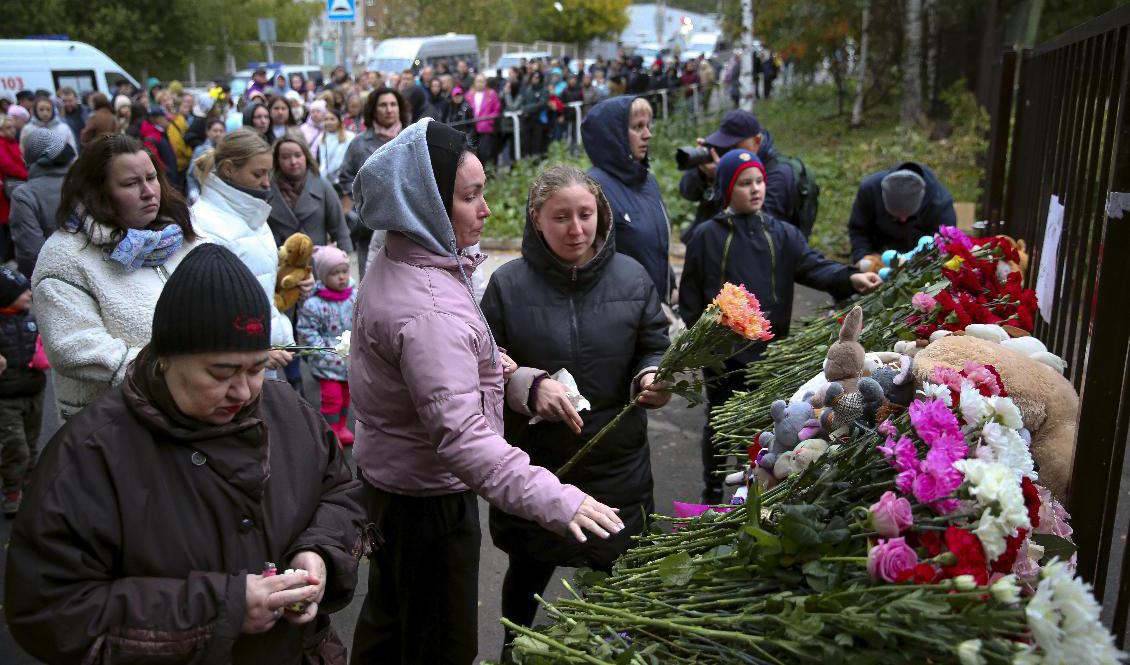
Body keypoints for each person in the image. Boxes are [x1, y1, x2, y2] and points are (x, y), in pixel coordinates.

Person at [6, 243, 365, 663]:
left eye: (255, 368)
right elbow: (48, 610)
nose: (244, 391)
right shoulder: (90, 455)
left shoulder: (288, 412)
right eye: (221, 372)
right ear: (166, 359)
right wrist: (219, 610)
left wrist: (319, 550)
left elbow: (340, 492)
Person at [348, 119, 625, 664]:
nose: (487, 210)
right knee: (439, 643)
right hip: (426, 502)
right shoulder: (427, 306)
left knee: (390, 625)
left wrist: (523, 383)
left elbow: (453, 371)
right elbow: (463, 437)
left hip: (394, 483)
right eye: (471, 196)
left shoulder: (408, 257)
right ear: (424, 203)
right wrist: (557, 498)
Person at [480, 165, 671, 655]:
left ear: (601, 216)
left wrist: (651, 376)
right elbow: (483, 367)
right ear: (536, 219)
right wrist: (527, 384)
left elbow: (654, 343)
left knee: (618, 584)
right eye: (560, 217)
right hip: (540, 466)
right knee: (526, 577)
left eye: (585, 215)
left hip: (617, 466)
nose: (576, 229)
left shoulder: (632, 276)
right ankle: (511, 651)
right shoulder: (506, 286)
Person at [679, 149, 882, 502]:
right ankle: (711, 489)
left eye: (759, 181)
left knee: (762, 423)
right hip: (723, 356)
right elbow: (691, 295)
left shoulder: (782, 234)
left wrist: (851, 278)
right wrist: (702, 345)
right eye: (745, 183)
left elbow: (814, 265)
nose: (755, 189)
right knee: (718, 421)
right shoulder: (707, 236)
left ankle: (750, 483)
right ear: (727, 189)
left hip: (769, 353)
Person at [32, 134, 201, 421]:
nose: (149, 192)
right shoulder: (65, 255)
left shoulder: (177, 236)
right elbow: (72, 345)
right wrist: (170, 371)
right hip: (112, 424)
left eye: (152, 178)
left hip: (188, 409)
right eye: (131, 183)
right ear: (98, 192)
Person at [190, 128, 299, 371]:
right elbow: (208, 311)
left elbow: (257, 280)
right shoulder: (206, 224)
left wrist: (288, 282)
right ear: (229, 169)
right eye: (258, 173)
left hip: (264, 354)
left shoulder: (251, 212)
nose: (265, 182)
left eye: (268, 173)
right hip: (240, 366)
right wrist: (250, 353)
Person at [582, 96, 671, 303]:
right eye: (638, 127)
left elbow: (654, 245)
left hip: (656, 310)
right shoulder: (593, 188)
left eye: (648, 125)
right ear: (614, 135)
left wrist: (670, 286)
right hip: (621, 315)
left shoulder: (648, 181)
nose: (647, 135)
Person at [679, 110, 798, 236]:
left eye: (734, 147)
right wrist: (703, 173)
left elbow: (754, 229)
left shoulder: (778, 174)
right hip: (710, 245)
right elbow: (687, 193)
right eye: (723, 145)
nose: (729, 153)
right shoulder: (725, 160)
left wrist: (724, 178)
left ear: (756, 142)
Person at [337, 87, 409, 275]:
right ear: (373, 109)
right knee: (370, 284)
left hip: (407, 229)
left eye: (393, 104)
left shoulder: (413, 138)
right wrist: (362, 205)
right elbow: (345, 177)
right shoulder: (359, 144)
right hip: (369, 229)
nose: (389, 109)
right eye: (383, 105)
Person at [297, 246, 356, 446]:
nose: (341, 277)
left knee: (346, 396)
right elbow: (307, 332)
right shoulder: (313, 304)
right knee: (332, 398)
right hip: (327, 362)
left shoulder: (354, 297)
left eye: (344, 271)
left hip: (349, 359)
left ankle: (341, 426)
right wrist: (324, 352)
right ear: (322, 275)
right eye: (334, 273)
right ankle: (330, 432)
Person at [848, 161, 957, 267]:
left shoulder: (940, 205)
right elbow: (859, 231)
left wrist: (916, 264)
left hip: (921, 263)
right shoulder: (870, 191)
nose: (903, 220)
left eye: (909, 216)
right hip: (879, 256)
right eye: (895, 216)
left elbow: (944, 244)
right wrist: (863, 257)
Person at [0, 267, 46, 516]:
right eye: (22, 291)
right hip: (6, 399)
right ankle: (11, 489)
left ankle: (28, 482)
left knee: (31, 441)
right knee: (16, 445)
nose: (29, 294)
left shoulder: (31, 320)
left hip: (34, 392)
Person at [267, 131, 351, 251]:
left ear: (306, 156)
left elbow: (339, 230)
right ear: (277, 161)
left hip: (316, 262)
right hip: (281, 263)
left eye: (298, 155)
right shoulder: (268, 190)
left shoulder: (322, 187)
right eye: (285, 157)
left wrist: (343, 261)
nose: (293, 162)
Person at [9, 128, 74, 279]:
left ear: (29, 158)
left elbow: (30, 252)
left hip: (52, 281)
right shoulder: (83, 183)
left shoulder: (24, 195)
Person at [0, 114, 29, 263]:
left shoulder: (14, 143)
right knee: (7, 226)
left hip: (14, 188)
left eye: (13, 127)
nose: (13, 130)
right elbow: (7, 165)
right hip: (5, 192)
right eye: (8, 128)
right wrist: (26, 174)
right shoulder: (2, 144)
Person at [186, 118, 226, 203]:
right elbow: (191, 175)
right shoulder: (200, 150)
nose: (218, 134)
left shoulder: (227, 151)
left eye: (221, 131)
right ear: (208, 132)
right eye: (215, 131)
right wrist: (193, 191)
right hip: (201, 197)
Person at [317, 108, 354, 188]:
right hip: (325, 181)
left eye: (332, 119)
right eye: (326, 119)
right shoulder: (321, 138)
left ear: (339, 121)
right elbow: (320, 161)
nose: (329, 122)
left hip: (344, 181)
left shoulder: (350, 137)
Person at [468, 73, 500, 165]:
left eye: (482, 81)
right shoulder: (469, 95)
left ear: (485, 83)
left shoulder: (491, 94)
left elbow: (496, 110)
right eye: (478, 81)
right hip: (472, 128)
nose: (480, 83)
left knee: (484, 153)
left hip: (485, 128)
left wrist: (488, 121)